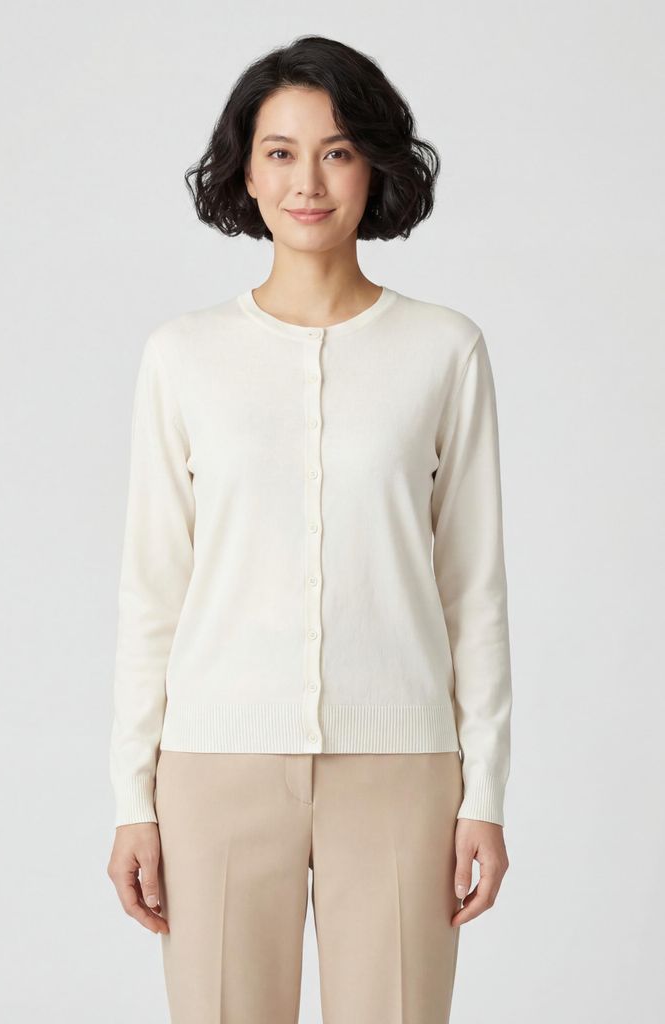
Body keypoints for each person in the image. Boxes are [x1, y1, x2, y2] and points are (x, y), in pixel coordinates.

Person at [106, 33, 512, 1024]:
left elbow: (473, 589)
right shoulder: (183, 356)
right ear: (245, 171)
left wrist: (484, 794)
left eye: (337, 151)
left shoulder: (443, 349)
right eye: (280, 152)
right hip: (214, 767)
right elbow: (152, 589)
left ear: (375, 165)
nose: (309, 182)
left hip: (402, 768)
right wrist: (132, 798)